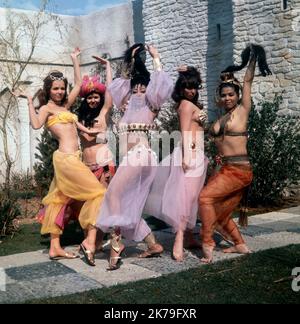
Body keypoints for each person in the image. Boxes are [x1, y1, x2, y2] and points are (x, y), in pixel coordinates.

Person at [14, 48, 106, 266]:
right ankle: (90, 241)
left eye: (62, 88)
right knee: (99, 192)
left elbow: (78, 82)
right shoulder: (46, 108)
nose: (59, 91)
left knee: (59, 198)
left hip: (74, 157)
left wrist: (74, 60)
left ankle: (55, 247)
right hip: (65, 159)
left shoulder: (66, 105)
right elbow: (36, 125)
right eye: (55, 88)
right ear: (48, 89)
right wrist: (28, 100)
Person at [96, 44, 173, 270]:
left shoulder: (151, 102)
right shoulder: (127, 105)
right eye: (135, 89)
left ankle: (116, 246)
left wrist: (156, 58)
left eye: (143, 88)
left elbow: (160, 83)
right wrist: (129, 61)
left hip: (141, 155)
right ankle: (152, 244)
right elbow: (117, 86)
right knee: (127, 204)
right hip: (132, 157)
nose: (138, 92)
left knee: (114, 195)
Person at [198, 44, 271, 263]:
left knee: (204, 198)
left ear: (238, 95)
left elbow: (247, 80)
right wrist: (202, 124)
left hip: (239, 170)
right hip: (225, 169)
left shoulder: (242, 110)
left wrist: (252, 59)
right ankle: (240, 245)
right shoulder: (220, 120)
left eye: (231, 94)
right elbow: (213, 138)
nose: (228, 98)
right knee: (220, 211)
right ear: (219, 98)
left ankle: (207, 242)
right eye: (224, 95)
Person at [144, 66, 208, 262]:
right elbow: (184, 132)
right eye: (187, 87)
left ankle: (188, 236)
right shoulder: (186, 106)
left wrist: (189, 70)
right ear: (181, 89)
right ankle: (179, 238)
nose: (191, 91)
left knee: (191, 199)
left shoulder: (190, 104)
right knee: (184, 198)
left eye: (194, 87)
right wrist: (187, 156)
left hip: (198, 155)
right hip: (190, 154)